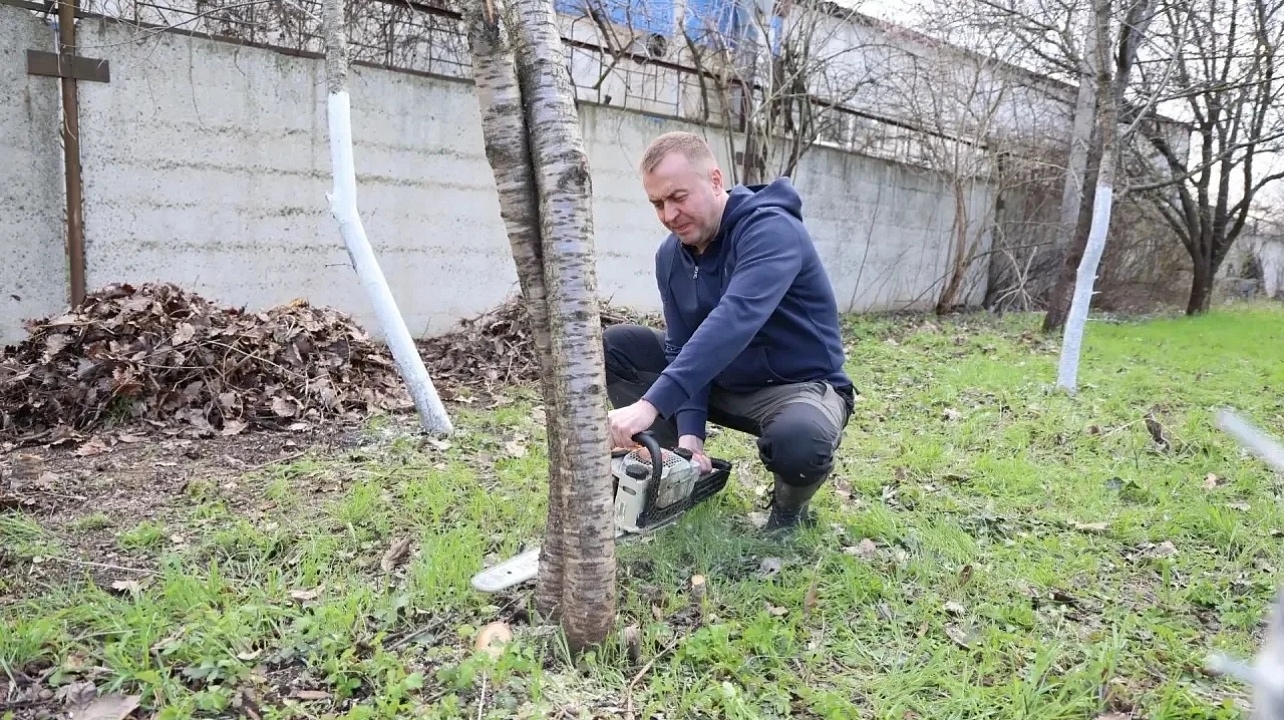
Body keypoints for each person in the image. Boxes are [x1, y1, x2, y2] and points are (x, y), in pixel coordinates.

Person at [604, 131, 856, 532]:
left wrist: (650, 405)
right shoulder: (671, 255)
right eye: (657, 203)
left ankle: (788, 517)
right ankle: (678, 473)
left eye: (678, 197)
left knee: (800, 440)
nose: (669, 215)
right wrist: (690, 435)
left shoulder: (771, 230)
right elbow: (683, 346)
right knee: (618, 349)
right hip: (724, 382)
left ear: (716, 181)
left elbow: (735, 318)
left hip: (796, 388)